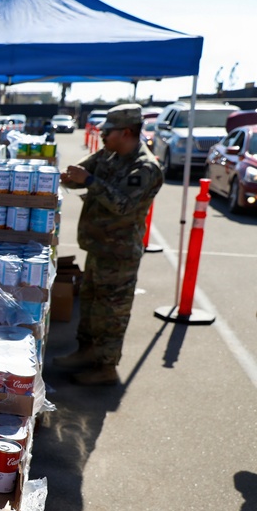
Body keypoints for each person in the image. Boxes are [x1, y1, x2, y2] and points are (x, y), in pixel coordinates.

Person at [53, 103, 164, 386]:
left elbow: (123, 204)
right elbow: (83, 174)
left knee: (111, 312)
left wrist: (89, 180)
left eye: (108, 131)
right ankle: (86, 351)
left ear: (126, 132)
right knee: (90, 304)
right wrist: (74, 177)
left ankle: (106, 367)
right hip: (98, 247)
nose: (102, 135)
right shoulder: (110, 155)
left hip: (120, 254)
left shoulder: (145, 167)